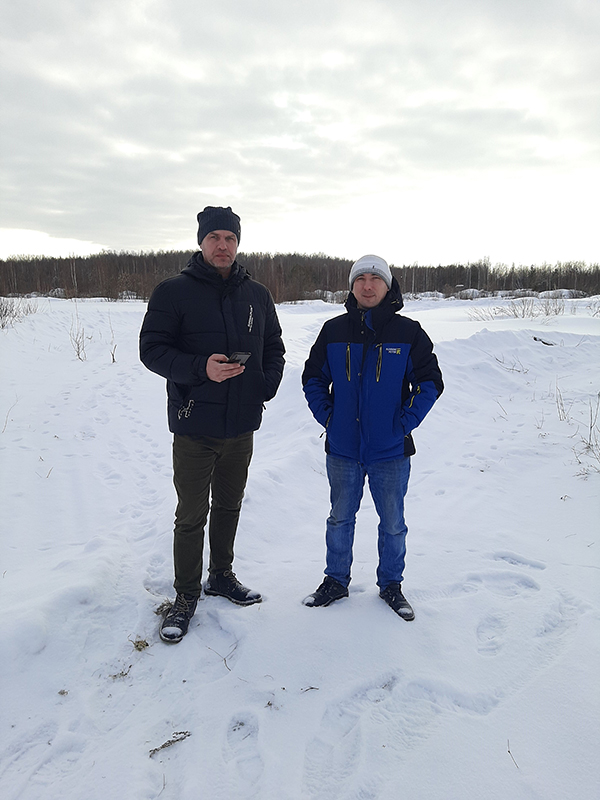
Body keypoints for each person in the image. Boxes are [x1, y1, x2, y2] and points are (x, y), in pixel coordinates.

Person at [140, 206, 285, 643]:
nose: (223, 245)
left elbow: (274, 347)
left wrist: (264, 386)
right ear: (201, 241)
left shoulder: (257, 295)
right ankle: (185, 595)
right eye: (214, 237)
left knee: (229, 504)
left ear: (238, 243)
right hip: (194, 425)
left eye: (230, 238)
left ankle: (221, 575)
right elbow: (152, 350)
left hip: (241, 425)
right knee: (190, 515)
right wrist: (200, 367)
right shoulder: (173, 292)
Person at [302, 255, 443, 620]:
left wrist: (403, 423)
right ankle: (335, 581)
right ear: (352, 286)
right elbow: (313, 379)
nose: (367, 285)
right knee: (339, 518)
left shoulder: (408, 332)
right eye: (360, 279)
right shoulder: (334, 330)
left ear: (388, 285)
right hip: (343, 449)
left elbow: (429, 383)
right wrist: (330, 418)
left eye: (375, 279)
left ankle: (391, 585)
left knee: (393, 523)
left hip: (390, 451)